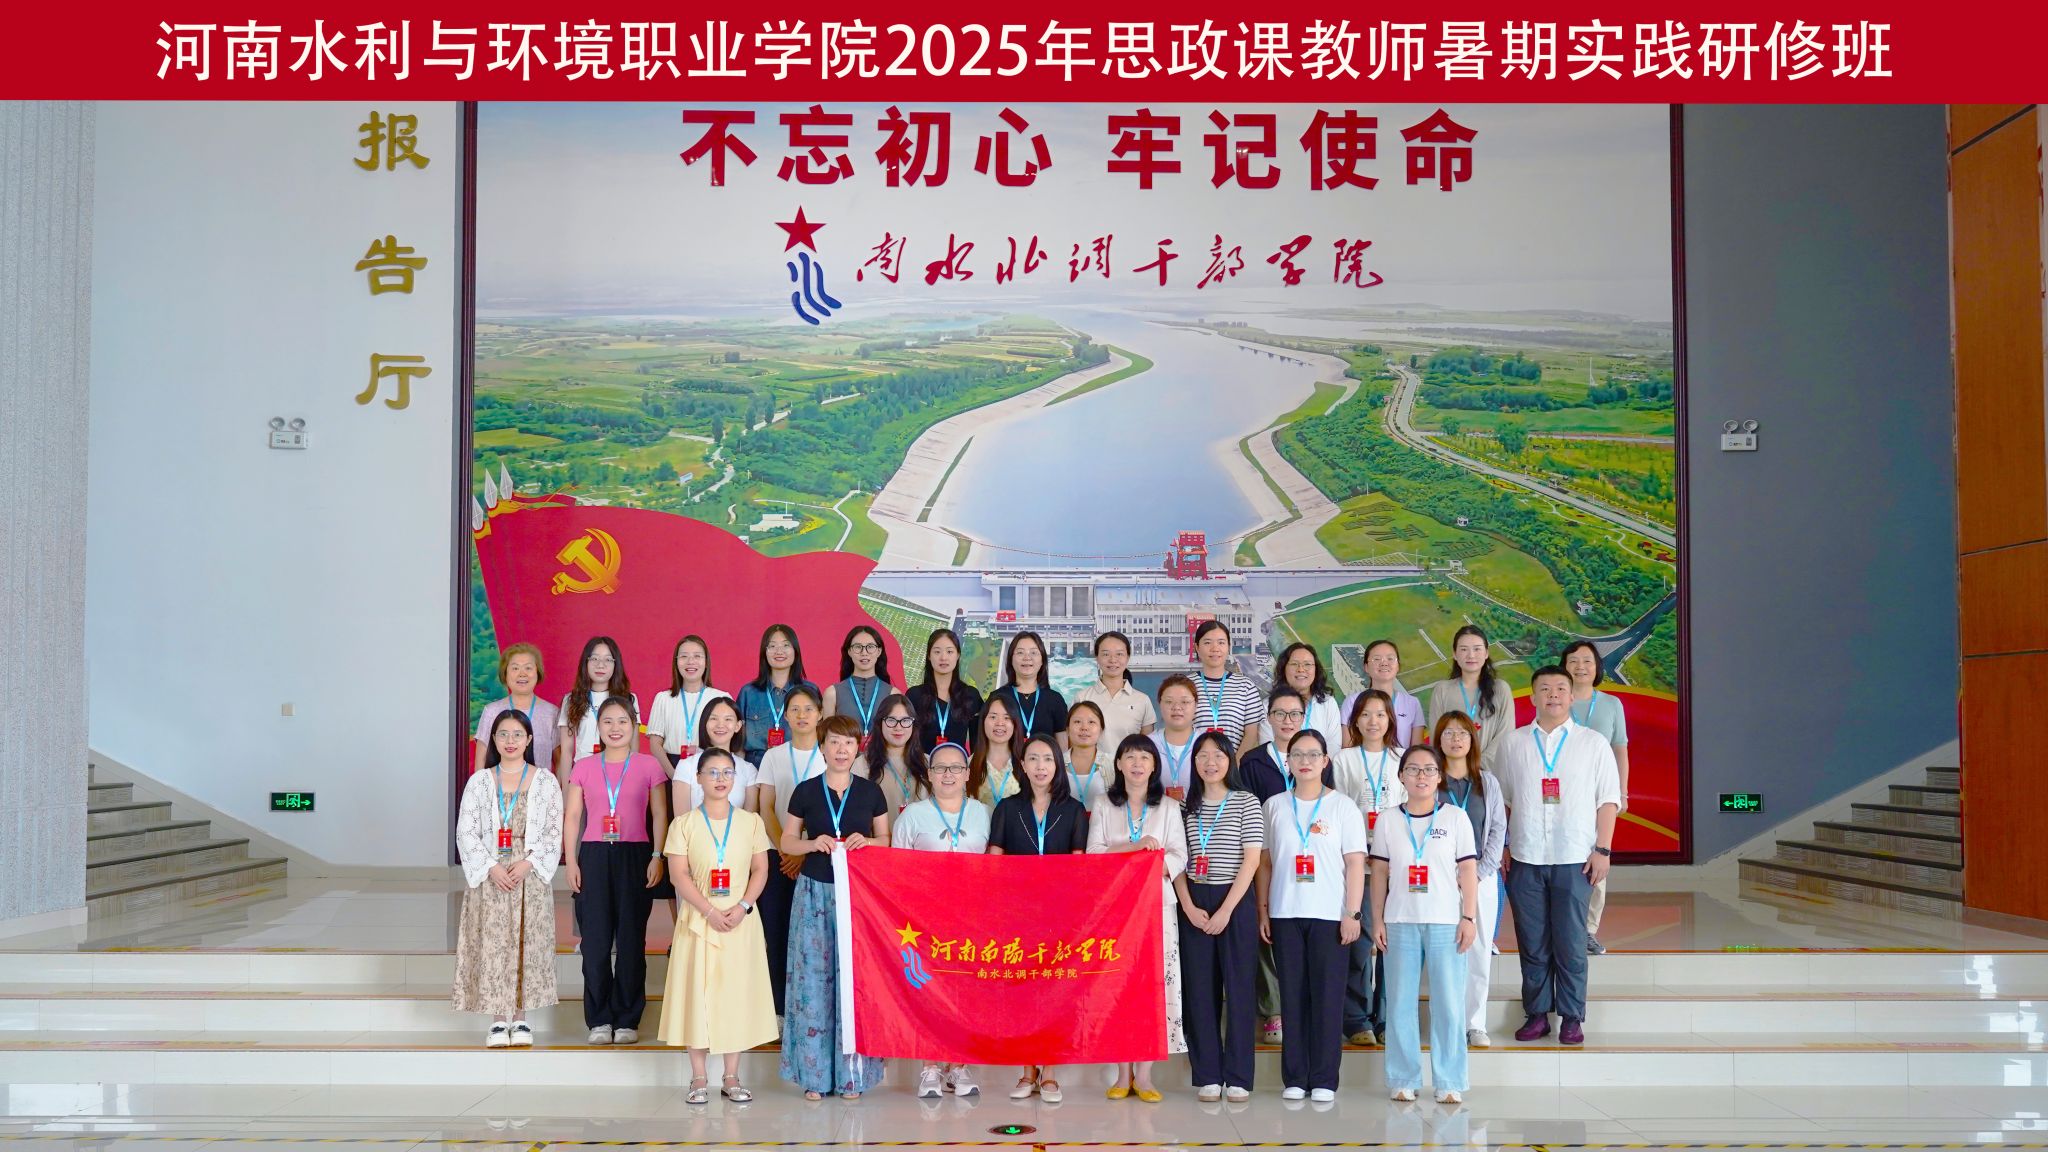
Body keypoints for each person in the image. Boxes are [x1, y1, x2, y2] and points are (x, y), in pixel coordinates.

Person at [1497, 665, 1620, 1048]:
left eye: (1561, 689)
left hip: (1575, 857)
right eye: (1545, 688)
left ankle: (1571, 1017)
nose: (1553, 695)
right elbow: (1503, 801)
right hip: (1525, 856)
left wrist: (1603, 849)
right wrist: (1503, 846)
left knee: (1570, 942)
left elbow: (1608, 800)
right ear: (1533, 696)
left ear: (1571, 696)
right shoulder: (1514, 743)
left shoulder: (1593, 743)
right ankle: (1536, 1014)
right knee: (1532, 942)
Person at [779, 715, 890, 1099]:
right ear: (822, 747)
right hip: (814, 892)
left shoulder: (871, 792)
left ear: (858, 747)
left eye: (848, 742)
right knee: (812, 982)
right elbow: (787, 841)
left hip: (859, 897)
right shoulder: (806, 791)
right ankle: (814, 1077)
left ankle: (852, 1077)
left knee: (856, 981)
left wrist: (868, 843)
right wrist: (812, 844)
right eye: (834, 742)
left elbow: (887, 839)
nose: (841, 749)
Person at [657, 748, 776, 1104]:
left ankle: (731, 1076)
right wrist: (709, 911)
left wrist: (743, 906)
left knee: (734, 994)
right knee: (697, 995)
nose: (721, 779)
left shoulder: (751, 822)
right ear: (698, 778)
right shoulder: (683, 824)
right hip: (699, 918)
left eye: (727, 772)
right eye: (712, 772)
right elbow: (678, 875)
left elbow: (761, 869)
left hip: (740, 921)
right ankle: (698, 1078)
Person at [1258, 729, 1367, 1103]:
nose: (1305, 761)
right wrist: (1263, 910)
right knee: (1292, 996)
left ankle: (1324, 1078)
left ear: (1325, 761)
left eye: (1313, 754)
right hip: (1285, 912)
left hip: (1330, 915)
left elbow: (1355, 864)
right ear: (1287, 761)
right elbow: (1265, 864)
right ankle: (1295, 1076)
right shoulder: (1274, 805)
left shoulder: (1343, 807)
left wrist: (1353, 912)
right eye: (1297, 754)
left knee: (1327, 997)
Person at [1370, 744, 1479, 1104]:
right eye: (1413, 769)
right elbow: (1379, 872)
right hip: (1400, 920)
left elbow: (1468, 870)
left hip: (1446, 921)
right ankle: (1403, 1077)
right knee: (1400, 1002)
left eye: (1429, 769)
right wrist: (1378, 919)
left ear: (1439, 776)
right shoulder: (1388, 819)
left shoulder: (1455, 818)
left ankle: (1449, 1080)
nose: (1421, 776)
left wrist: (1469, 917)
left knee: (1448, 1004)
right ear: (1401, 776)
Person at [452, 709, 563, 1047]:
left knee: (527, 943)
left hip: (529, 874)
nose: (510, 741)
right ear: (493, 740)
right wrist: (491, 866)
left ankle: (522, 1018)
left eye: (517, 734)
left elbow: (553, 830)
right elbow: (466, 832)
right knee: (494, 943)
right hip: (492, 875)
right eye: (503, 734)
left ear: (529, 740)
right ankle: (498, 1020)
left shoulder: (545, 781)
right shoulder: (480, 782)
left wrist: (529, 863)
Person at [988, 735, 1089, 1103]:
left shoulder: (1073, 809)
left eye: (1048, 758)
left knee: (1054, 993)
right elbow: (994, 861)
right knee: (1023, 993)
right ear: (1023, 765)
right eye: (1033, 759)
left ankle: (1050, 1074)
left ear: (1057, 765)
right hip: (1017, 915)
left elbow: (1079, 866)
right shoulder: (1007, 808)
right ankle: (1026, 1071)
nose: (1041, 766)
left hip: (1058, 915)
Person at [1087, 735, 1188, 1102]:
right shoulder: (1103, 804)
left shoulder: (1169, 807)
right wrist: (1136, 847)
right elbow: (1094, 854)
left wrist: (1144, 862)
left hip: (1156, 907)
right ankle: (1122, 1074)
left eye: (1145, 757)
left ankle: (1144, 1076)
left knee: (1153, 988)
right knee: (1117, 985)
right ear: (1118, 764)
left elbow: (1179, 857)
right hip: (1114, 910)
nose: (1137, 764)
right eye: (1130, 757)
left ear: (1153, 765)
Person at [563, 695, 668, 1045]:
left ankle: (626, 1018)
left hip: (635, 856)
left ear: (634, 726)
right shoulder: (583, 767)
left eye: (623, 721)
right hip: (593, 856)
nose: (615, 728)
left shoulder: (648, 766)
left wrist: (657, 855)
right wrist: (571, 860)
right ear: (598, 727)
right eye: (607, 721)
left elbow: (659, 815)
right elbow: (573, 817)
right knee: (594, 943)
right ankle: (599, 1019)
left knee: (630, 941)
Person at [891, 741, 990, 1098]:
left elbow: (994, 866)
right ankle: (930, 1068)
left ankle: (958, 1067)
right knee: (929, 992)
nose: (948, 774)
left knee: (964, 992)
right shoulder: (912, 815)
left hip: (971, 917)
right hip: (925, 919)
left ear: (967, 774)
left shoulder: (983, 813)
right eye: (940, 768)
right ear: (929, 775)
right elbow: (897, 870)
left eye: (956, 768)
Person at [1173, 731, 1263, 1103]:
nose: (1210, 763)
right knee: (1199, 990)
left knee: (1239, 988)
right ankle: (1207, 1074)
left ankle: (1238, 1075)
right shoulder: (1184, 807)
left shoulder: (1246, 801)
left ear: (1230, 760)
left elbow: (1252, 860)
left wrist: (1226, 910)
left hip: (1235, 900)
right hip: (1194, 900)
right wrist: (1188, 906)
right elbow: (1176, 861)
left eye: (1218, 755)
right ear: (1193, 763)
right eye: (1203, 756)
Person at [1237, 684, 1309, 1044]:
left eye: (1294, 714)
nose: (1287, 720)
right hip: (1263, 857)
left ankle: (1302, 1005)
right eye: (1280, 713)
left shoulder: (1314, 756)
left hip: (1306, 862)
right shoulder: (1253, 761)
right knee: (1264, 932)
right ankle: (1273, 1010)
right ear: (1269, 718)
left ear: (1303, 718)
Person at [1331, 688, 1403, 1046]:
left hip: (1395, 867)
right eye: (1365, 714)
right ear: (1355, 721)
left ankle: (1388, 1017)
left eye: (1380, 714)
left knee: (1393, 942)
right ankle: (1357, 1019)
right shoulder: (1343, 760)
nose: (1373, 721)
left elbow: (1410, 814)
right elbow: (1340, 813)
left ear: (1390, 720)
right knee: (1358, 944)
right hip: (1357, 866)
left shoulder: (1402, 759)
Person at [1436, 710, 1506, 1049]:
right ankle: (1448, 1022)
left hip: (1481, 877)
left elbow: (1497, 830)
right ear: (1438, 740)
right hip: (1441, 879)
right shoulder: (1431, 780)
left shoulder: (1487, 782)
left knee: (1478, 951)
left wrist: (1477, 872)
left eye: (1462, 733)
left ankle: (1475, 1024)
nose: (1456, 739)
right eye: (1448, 733)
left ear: (1472, 740)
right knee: (1444, 952)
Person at [755, 683, 826, 1018]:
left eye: (808, 709)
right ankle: (779, 1014)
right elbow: (765, 806)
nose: (801, 715)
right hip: (777, 857)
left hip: (816, 857)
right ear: (785, 716)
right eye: (794, 709)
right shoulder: (773, 756)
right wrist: (787, 850)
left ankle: (811, 1010)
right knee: (777, 933)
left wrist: (802, 852)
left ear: (820, 714)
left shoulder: (829, 756)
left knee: (814, 937)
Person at [1561, 639, 1630, 955]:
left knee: (1597, 859)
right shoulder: (1557, 700)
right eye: (1573, 661)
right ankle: (1563, 928)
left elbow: (1620, 749)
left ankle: (1588, 930)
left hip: (1599, 794)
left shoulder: (1612, 704)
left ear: (1597, 667)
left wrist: (1621, 792)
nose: (1580, 667)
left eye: (1587, 661)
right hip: (1562, 795)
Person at [1425, 626, 1515, 772]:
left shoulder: (1501, 689)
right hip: (1452, 773)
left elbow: (1505, 734)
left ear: (1486, 653)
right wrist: (1456, 768)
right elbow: (1437, 735)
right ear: (1455, 654)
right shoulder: (1442, 690)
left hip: (1490, 773)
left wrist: (1477, 765)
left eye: (1477, 649)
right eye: (1464, 649)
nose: (1471, 655)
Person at [647, 635, 730, 782]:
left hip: (712, 768)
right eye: (684, 656)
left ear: (706, 662)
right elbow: (655, 744)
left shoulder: (721, 698)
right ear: (676, 662)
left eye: (697, 656)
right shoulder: (663, 698)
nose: (690, 661)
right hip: (671, 768)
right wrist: (674, 775)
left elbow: (730, 742)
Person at [472, 642, 560, 779]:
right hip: (500, 789)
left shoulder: (552, 713)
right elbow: (480, 761)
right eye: (515, 668)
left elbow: (559, 762)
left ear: (537, 672)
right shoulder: (491, 712)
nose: (522, 674)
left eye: (528, 668)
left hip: (540, 789)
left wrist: (557, 790)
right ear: (505, 673)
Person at [556, 636, 636, 785]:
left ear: (616, 664)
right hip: (582, 773)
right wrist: (566, 789)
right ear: (585, 662)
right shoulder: (571, 700)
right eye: (594, 659)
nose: (600, 665)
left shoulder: (628, 699)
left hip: (618, 773)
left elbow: (634, 748)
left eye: (608, 660)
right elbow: (566, 751)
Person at [736, 624, 819, 765]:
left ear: (795, 651)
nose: (779, 651)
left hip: (799, 765)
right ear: (764, 652)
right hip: (756, 767)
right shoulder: (748, 692)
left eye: (786, 645)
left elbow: (820, 735)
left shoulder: (810, 691)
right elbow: (738, 743)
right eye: (772, 646)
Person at [670, 696, 759, 817]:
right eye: (713, 718)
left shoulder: (749, 770)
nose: (720, 725)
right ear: (704, 723)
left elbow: (750, 822)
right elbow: (681, 821)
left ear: (737, 726)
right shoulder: (686, 766)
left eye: (728, 719)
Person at [1071, 631, 1157, 751]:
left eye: (1119, 654)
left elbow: (1147, 747)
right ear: (1097, 657)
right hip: (1092, 763)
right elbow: (1074, 743)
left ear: (1128, 657)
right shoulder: (1082, 698)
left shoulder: (1142, 700)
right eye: (1106, 654)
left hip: (1129, 763)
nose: (1113, 660)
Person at [1187, 620, 1263, 756]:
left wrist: (1236, 765)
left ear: (1228, 647)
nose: (1215, 648)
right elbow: (1180, 729)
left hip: (1237, 765)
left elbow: (1252, 734)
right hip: (1195, 764)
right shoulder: (1186, 685)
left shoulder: (1245, 686)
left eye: (1221, 642)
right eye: (1207, 643)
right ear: (1197, 647)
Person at [907, 627, 983, 753]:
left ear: (958, 655)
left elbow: (978, 743)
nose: (943, 657)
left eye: (949, 652)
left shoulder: (971, 695)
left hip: (958, 764)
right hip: (921, 763)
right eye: (937, 652)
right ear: (929, 656)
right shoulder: (914, 695)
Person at [1342, 639, 1427, 750]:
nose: (1384, 663)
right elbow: (1348, 748)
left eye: (1390, 658)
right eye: (1377, 659)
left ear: (1398, 666)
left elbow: (1417, 750)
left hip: (1403, 761)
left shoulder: (1412, 703)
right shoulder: (1352, 702)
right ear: (1366, 667)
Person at [1262, 643, 1343, 751]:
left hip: (1320, 762)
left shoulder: (1328, 703)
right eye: (1294, 664)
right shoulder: (1267, 705)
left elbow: (1333, 746)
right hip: (1279, 762)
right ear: (1284, 669)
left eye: (1307, 664)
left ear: (1316, 669)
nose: (1301, 669)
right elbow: (1267, 746)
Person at [989, 630, 1067, 740]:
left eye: (1033, 653)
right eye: (1020, 652)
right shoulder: (997, 698)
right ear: (1011, 659)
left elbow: (1062, 746)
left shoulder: (1055, 700)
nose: (1027, 657)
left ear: (1042, 660)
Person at [821, 625, 894, 741]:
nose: (864, 652)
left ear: (879, 651)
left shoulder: (893, 694)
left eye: (870, 647)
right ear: (849, 651)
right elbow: (827, 739)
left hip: (880, 753)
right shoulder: (832, 693)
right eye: (858, 647)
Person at [855, 692, 925, 812]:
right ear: (880, 723)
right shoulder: (862, 765)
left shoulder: (928, 763)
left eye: (905, 720)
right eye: (891, 720)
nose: (898, 727)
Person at [1150, 674, 1201, 805]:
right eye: (1169, 702)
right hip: (1156, 815)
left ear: (1196, 705)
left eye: (1185, 702)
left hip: (1202, 815)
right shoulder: (1148, 745)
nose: (1177, 707)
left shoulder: (1207, 743)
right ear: (1159, 704)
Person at [970, 693, 1025, 805]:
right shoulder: (968, 764)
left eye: (1007, 717)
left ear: (1015, 723)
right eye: (993, 717)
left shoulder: (1026, 762)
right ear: (983, 721)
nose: (1000, 723)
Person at [1064, 700, 1112, 809]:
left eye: (1091, 722)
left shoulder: (1112, 765)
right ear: (1067, 730)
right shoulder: (1056, 764)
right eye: (1077, 722)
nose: (1084, 727)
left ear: (1101, 730)